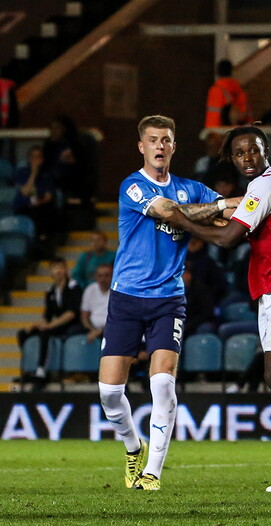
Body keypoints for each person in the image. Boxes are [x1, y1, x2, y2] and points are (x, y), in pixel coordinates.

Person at [163, 126, 271, 492]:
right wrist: (211, 213)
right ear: (231, 158)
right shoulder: (266, 186)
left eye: (253, 150)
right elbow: (232, 225)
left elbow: (227, 238)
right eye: (239, 153)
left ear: (265, 150)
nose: (247, 157)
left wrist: (182, 222)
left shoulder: (265, 185)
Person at [98, 115, 237, 491]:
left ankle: (152, 473)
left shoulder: (190, 187)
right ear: (141, 147)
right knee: (110, 394)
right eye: (153, 140)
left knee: (162, 384)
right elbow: (167, 212)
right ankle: (133, 446)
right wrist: (216, 208)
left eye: (166, 140)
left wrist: (259, 198)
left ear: (174, 147)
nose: (160, 146)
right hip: (126, 296)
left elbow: (233, 207)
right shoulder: (132, 186)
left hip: (168, 299)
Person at [17, 258, 83, 389]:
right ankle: (27, 370)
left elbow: (72, 313)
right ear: (51, 272)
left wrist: (50, 326)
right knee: (23, 334)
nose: (58, 271)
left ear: (65, 270)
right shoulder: (50, 291)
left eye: (61, 267)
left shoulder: (73, 287)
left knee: (45, 333)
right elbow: (47, 316)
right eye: (55, 268)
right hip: (57, 325)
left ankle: (41, 371)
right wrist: (36, 325)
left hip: (73, 325)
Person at [12, 145, 57, 254]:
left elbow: (48, 196)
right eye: (33, 157)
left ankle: (43, 243)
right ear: (29, 159)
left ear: (43, 159)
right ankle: (37, 245)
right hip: (24, 206)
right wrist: (34, 173)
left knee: (49, 211)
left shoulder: (47, 174)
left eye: (39, 157)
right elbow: (26, 191)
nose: (36, 160)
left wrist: (39, 202)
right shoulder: (22, 172)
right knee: (34, 215)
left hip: (40, 206)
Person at [205, 60, 253, 128]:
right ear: (231, 71)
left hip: (218, 133)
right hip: (240, 133)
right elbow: (245, 115)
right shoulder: (240, 91)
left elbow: (214, 118)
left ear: (218, 72)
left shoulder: (215, 90)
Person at [80, 263, 112, 344]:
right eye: (100, 276)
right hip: (92, 328)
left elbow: (119, 318)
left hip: (112, 329)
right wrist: (93, 330)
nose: (103, 279)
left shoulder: (117, 292)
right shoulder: (90, 290)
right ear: (96, 277)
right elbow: (84, 317)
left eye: (107, 275)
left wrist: (101, 331)